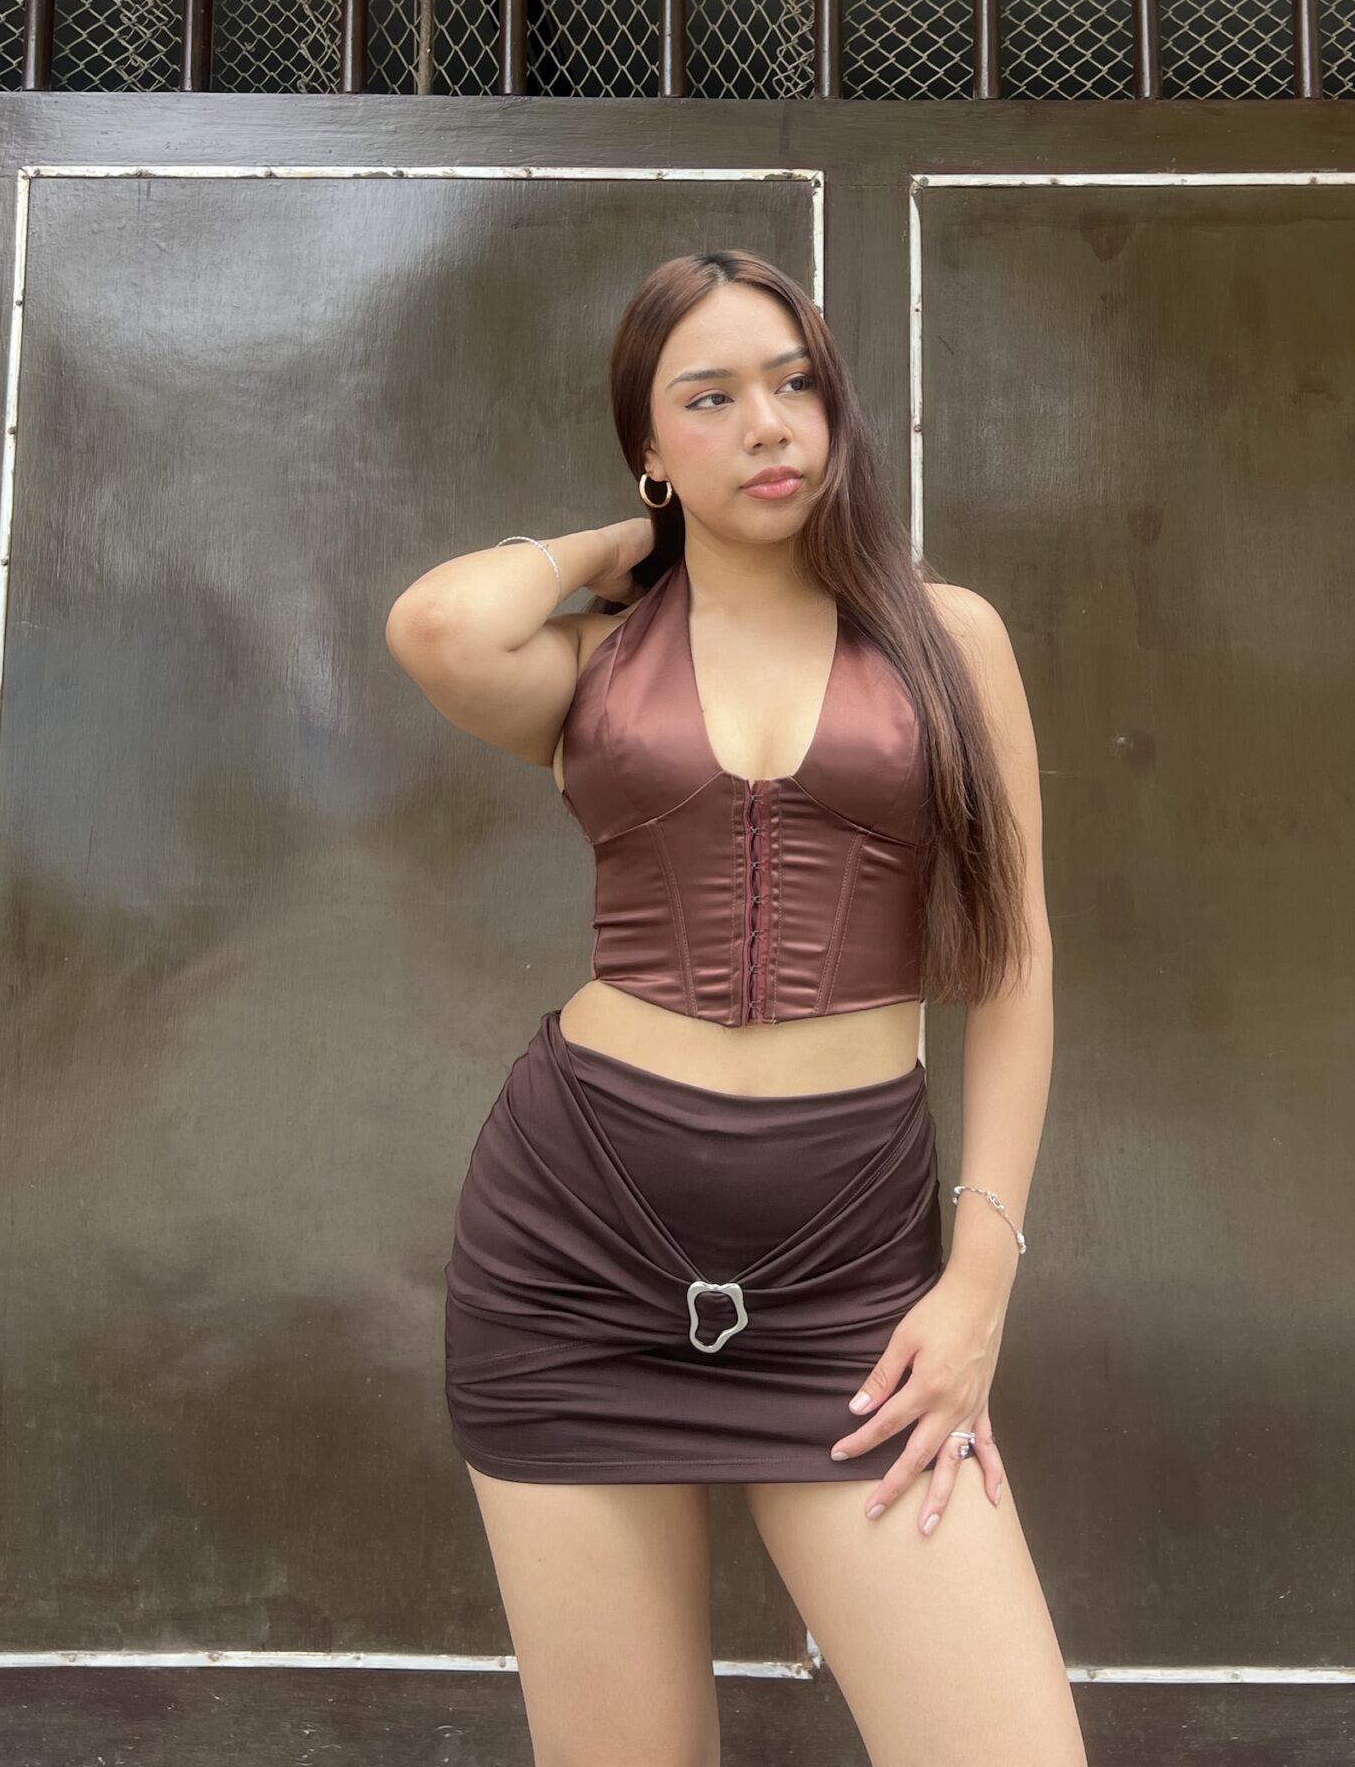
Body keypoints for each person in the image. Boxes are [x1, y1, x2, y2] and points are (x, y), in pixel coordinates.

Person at [387, 247, 1086, 1767]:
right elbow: (439, 625)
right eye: (708, 399)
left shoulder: (950, 640)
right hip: (573, 1257)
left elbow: (1016, 966)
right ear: (648, 444)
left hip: (849, 1279)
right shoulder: (592, 661)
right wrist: (629, 540)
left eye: (794, 384)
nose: (768, 425)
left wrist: (978, 1280)